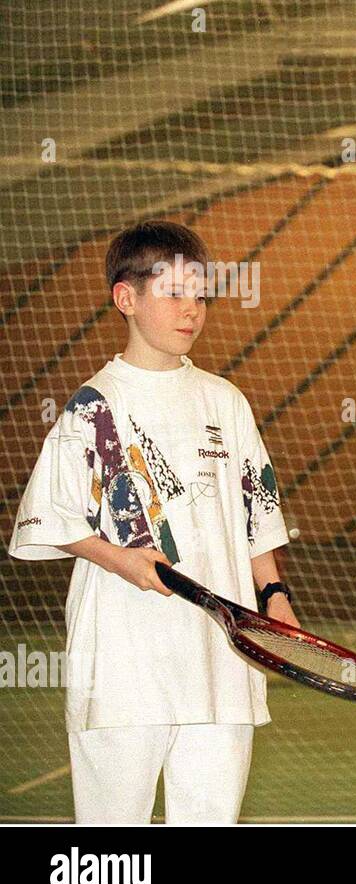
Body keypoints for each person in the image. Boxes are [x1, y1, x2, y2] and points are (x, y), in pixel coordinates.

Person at [7, 221, 297, 823]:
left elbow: (256, 515)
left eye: (200, 294)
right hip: (122, 670)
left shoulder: (226, 401)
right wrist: (122, 559)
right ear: (126, 299)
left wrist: (273, 595)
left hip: (221, 667)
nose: (191, 309)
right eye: (172, 292)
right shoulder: (93, 407)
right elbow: (49, 519)